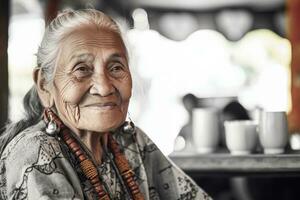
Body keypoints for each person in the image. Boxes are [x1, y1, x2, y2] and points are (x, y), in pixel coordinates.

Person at [0, 9, 211, 200]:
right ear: (45, 86)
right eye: (82, 69)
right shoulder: (36, 153)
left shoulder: (129, 139)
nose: (104, 88)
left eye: (116, 67)